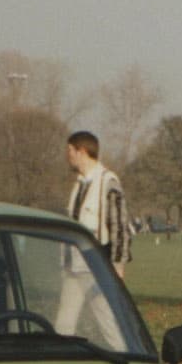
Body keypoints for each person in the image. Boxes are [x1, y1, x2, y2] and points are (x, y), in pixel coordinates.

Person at [56, 131, 129, 341]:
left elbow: (119, 226)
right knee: (63, 326)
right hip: (74, 268)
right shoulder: (79, 184)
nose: (67, 155)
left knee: (109, 324)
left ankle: (126, 363)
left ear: (82, 151)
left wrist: (117, 268)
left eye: (70, 150)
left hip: (95, 269)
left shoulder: (108, 182)